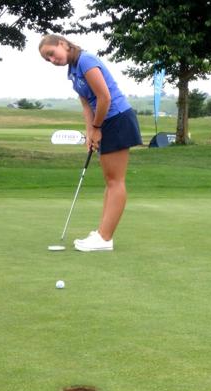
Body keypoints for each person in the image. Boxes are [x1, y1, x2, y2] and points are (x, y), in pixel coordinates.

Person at [39, 35, 142, 252]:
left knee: (115, 181)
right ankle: (102, 232)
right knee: (110, 180)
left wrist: (97, 128)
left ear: (63, 44)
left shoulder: (85, 60)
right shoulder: (73, 72)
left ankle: (105, 238)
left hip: (117, 118)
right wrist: (89, 133)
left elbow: (104, 97)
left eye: (51, 53)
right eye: (47, 59)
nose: (52, 60)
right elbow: (87, 106)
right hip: (105, 122)